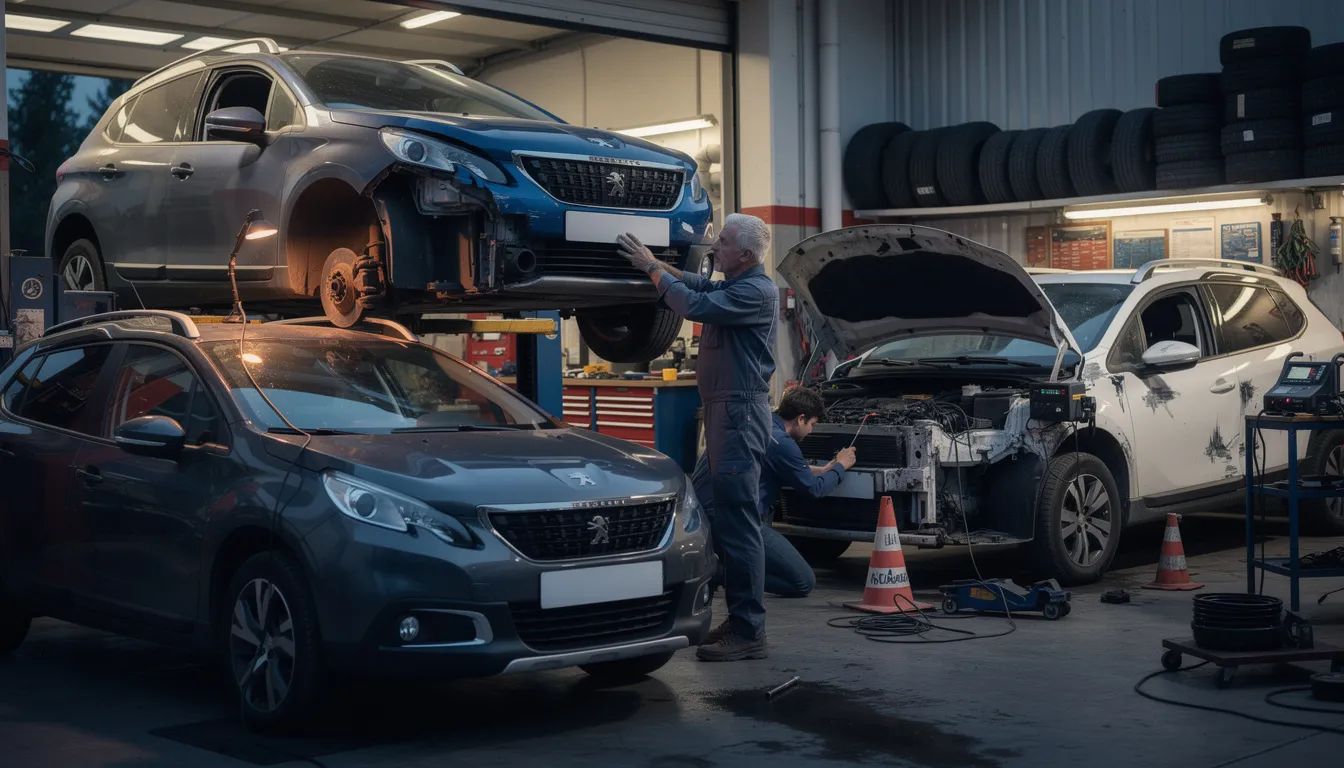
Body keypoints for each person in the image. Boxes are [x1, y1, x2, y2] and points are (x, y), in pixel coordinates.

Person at [617, 213, 777, 662]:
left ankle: (749, 630)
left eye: (722, 243)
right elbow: (700, 285)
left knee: (739, 524)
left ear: (744, 255)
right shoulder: (737, 284)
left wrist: (652, 269)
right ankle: (728, 609)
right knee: (705, 508)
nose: (714, 249)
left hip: (740, 415)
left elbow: (693, 305)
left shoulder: (756, 292)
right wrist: (658, 265)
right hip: (726, 414)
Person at [691, 386, 857, 611]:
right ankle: (718, 574)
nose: (812, 430)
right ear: (800, 419)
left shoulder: (758, 422)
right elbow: (814, 491)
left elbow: (771, 464)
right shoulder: (784, 444)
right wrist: (841, 466)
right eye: (812, 423)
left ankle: (731, 565)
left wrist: (818, 469)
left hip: (702, 513)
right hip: (736, 518)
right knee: (803, 581)